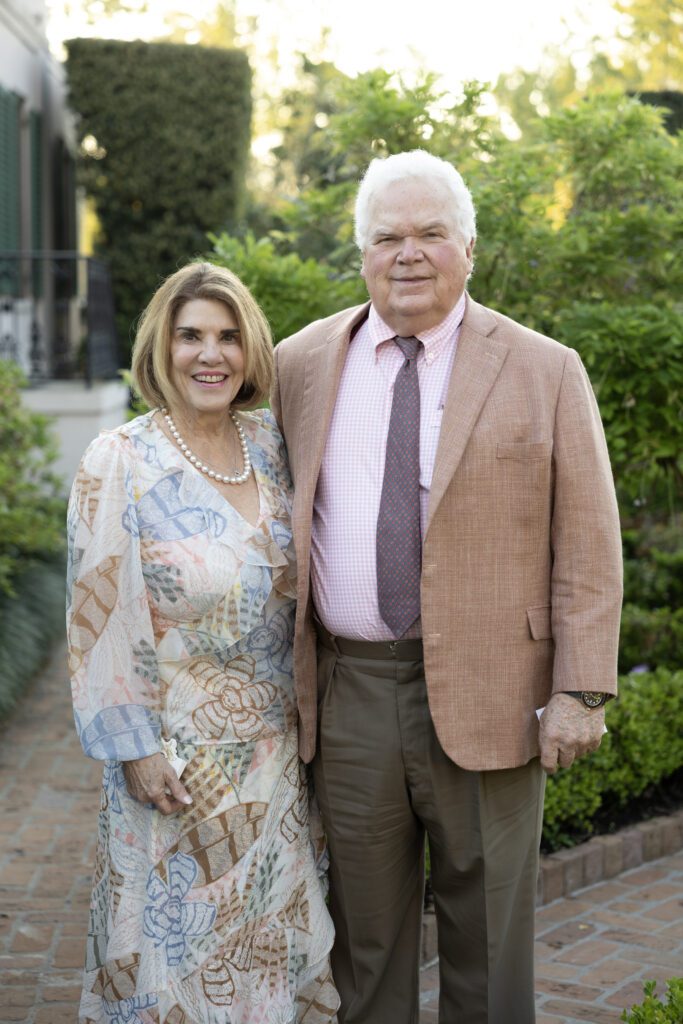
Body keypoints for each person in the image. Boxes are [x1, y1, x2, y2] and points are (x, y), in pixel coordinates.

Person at [271, 150, 623, 1024]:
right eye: (387, 236)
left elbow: (586, 541)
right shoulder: (301, 363)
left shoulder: (544, 368)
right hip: (350, 693)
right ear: (361, 255)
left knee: (489, 943)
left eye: (431, 233)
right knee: (365, 942)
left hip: (494, 694)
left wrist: (580, 689)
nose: (408, 253)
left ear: (469, 247)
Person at [66, 262, 339, 1024]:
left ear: (250, 352)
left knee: (264, 957)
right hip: (177, 770)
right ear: (162, 345)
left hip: (277, 763)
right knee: (177, 967)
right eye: (190, 336)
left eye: (226, 337)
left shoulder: (273, 447)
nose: (208, 354)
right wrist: (137, 748)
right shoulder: (118, 461)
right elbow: (98, 620)